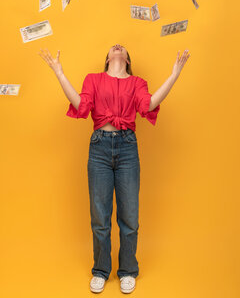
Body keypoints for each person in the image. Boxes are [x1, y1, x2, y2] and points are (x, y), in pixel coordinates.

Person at [38, 44, 190, 294]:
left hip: (128, 148)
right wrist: (59, 73)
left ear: (127, 59)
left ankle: (128, 270)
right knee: (100, 216)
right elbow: (81, 105)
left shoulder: (138, 82)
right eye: (113, 47)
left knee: (129, 217)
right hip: (99, 148)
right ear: (107, 58)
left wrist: (174, 74)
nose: (118, 47)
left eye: (122, 48)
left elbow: (148, 106)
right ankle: (100, 270)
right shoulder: (93, 79)